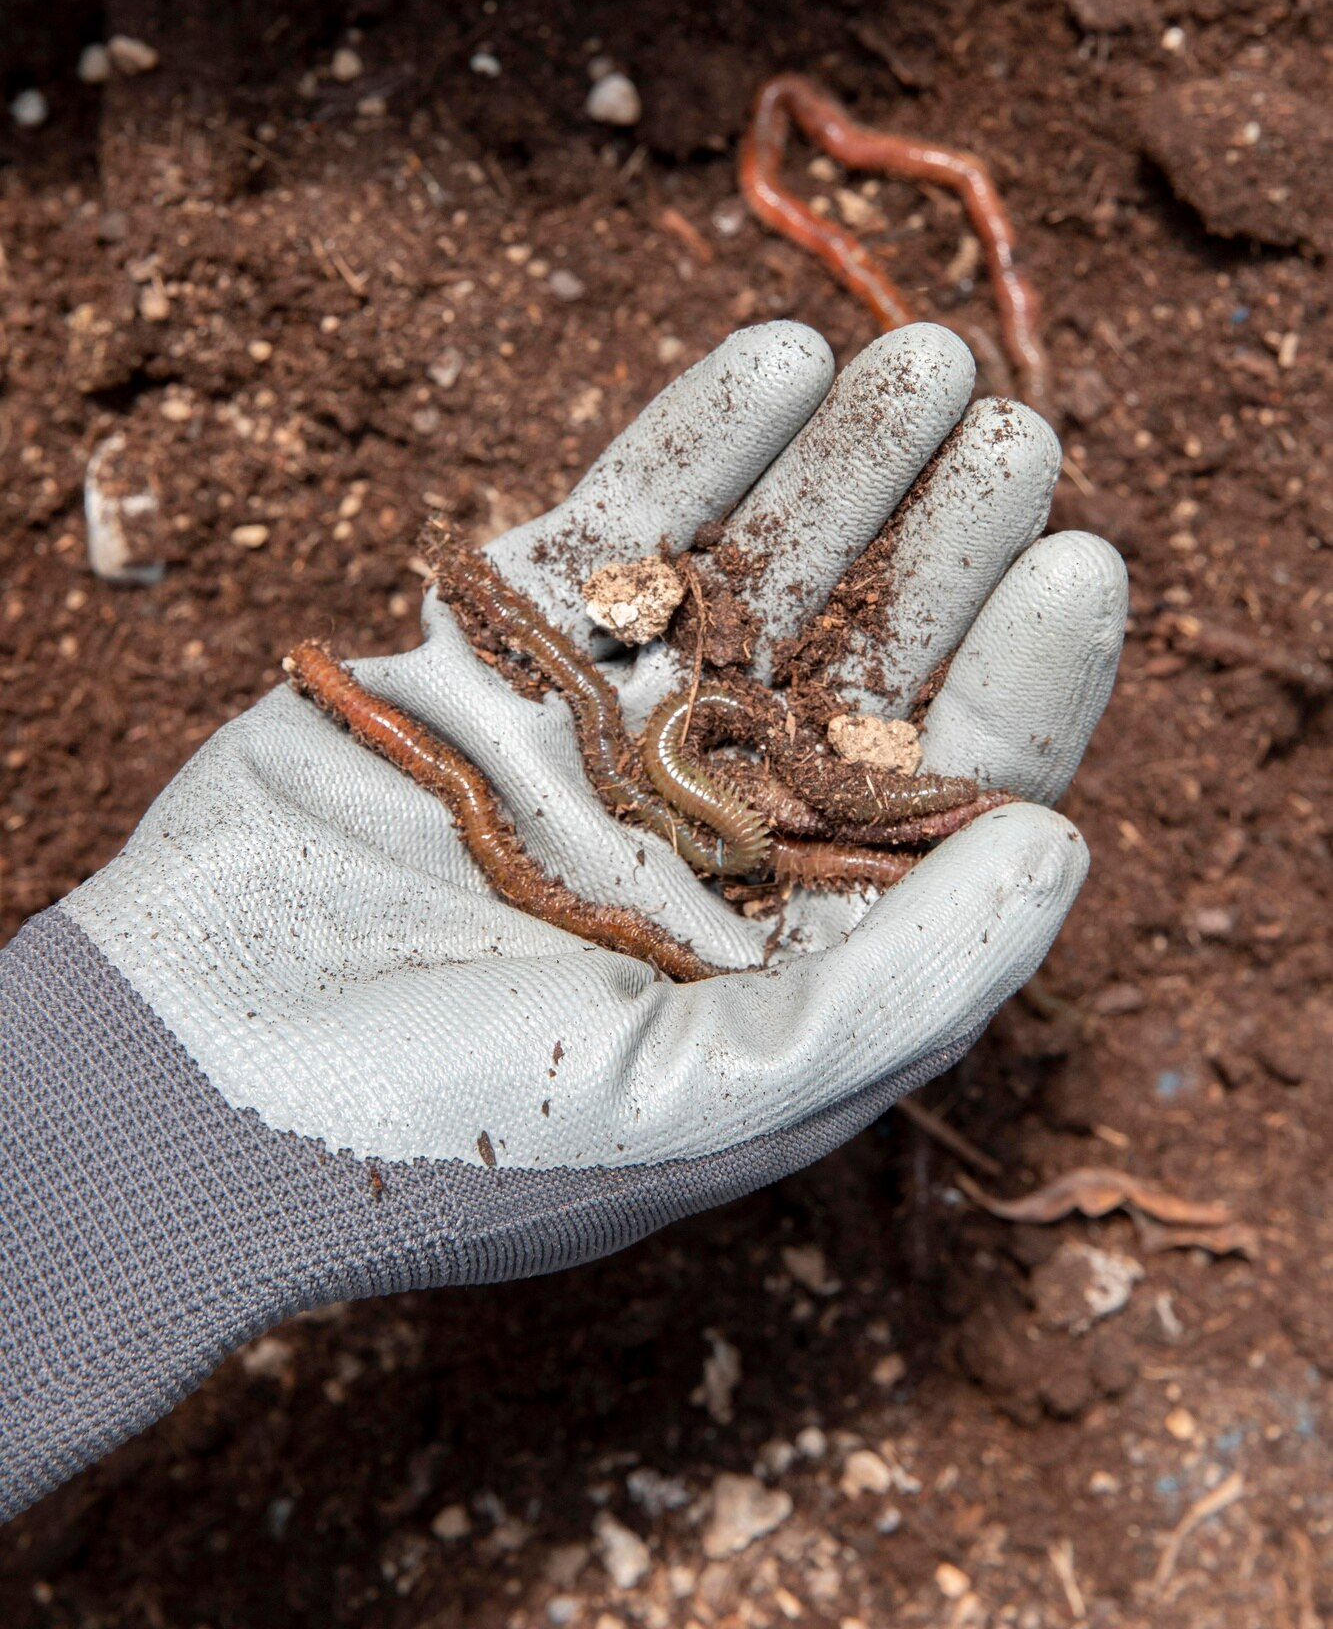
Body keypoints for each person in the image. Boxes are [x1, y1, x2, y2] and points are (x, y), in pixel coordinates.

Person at [0, 319, 1127, 1522]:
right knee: (596, 747)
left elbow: (700, 814)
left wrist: (71, 1090)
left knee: (614, 741)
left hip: (695, 778)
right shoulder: (655, 772)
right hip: (689, 786)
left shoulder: (673, 763)